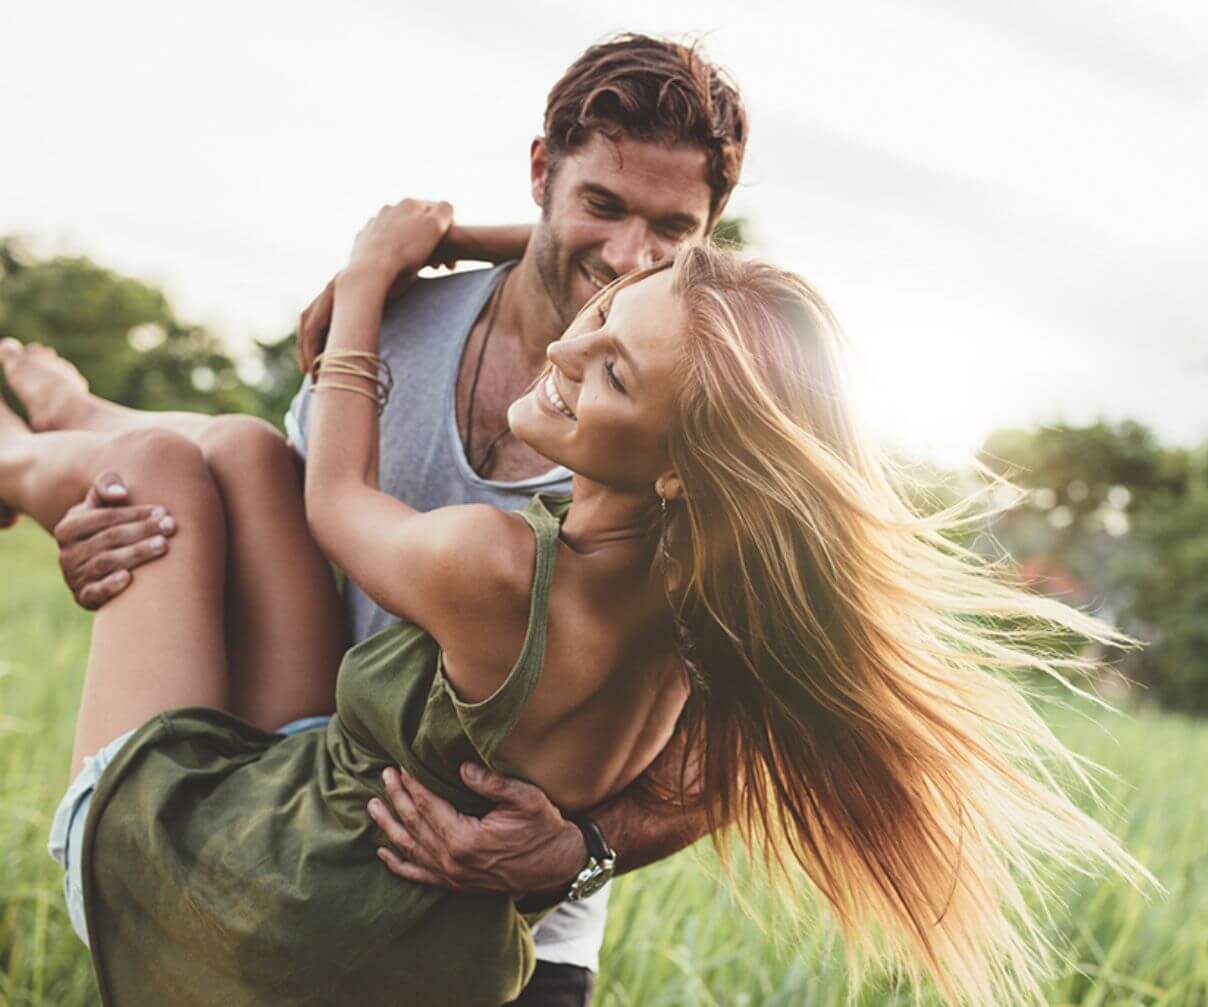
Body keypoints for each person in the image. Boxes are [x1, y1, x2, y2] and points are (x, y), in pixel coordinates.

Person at [2, 202, 1145, 1005]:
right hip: (387, 899)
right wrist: (497, 245)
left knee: (158, 471)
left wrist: (365, 283)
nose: (567, 344)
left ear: (682, 461)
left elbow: (337, 500)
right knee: (249, 454)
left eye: (610, 371)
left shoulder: (494, 565)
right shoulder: (716, 615)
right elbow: (709, 317)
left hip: (263, 905)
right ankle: (68, 408)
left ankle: (16, 462)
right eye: (606, 310)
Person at [24, 32, 751, 1007]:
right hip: (306, 769)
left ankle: (58, 436)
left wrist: (579, 850)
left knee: (165, 465)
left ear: (708, 236)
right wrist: (112, 534)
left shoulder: (686, 454)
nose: (632, 256)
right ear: (542, 171)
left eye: (674, 229)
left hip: (487, 919)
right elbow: (264, 505)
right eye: (602, 204)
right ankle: (73, 426)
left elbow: (753, 748)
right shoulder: (404, 329)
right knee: (225, 452)